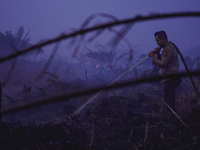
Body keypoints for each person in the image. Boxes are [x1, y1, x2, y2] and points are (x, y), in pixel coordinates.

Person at [148, 30, 180, 125]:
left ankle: (172, 124)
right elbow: (164, 60)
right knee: (168, 100)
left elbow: (162, 63)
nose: (157, 43)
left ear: (163, 39)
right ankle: (171, 120)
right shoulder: (166, 49)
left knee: (169, 101)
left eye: (158, 40)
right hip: (169, 77)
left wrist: (153, 57)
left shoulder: (168, 49)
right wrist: (158, 54)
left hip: (171, 78)